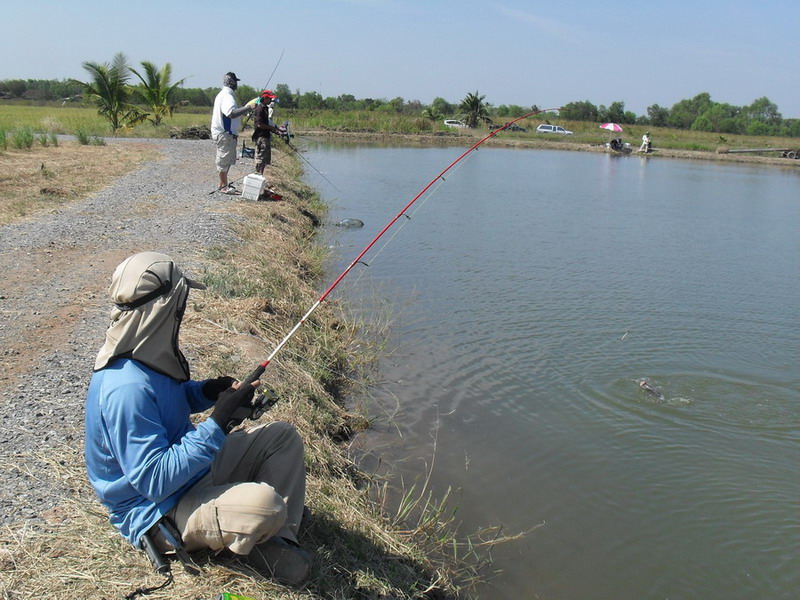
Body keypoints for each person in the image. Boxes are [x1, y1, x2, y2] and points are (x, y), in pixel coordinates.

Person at [84, 252, 310, 585]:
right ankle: (262, 532)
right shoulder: (125, 388)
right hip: (160, 509)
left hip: (190, 476)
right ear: (167, 307)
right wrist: (217, 423)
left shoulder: (142, 355)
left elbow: (166, 401)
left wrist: (206, 392)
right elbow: (155, 482)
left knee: (281, 436)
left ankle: (277, 542)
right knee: (267, 505)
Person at [211, 72, 256, 194]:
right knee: (223, 159)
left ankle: (222, 184)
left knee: (227, 159)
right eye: (236, 81)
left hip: (225, 133)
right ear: (233, 82)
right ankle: (224, 187)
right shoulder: (227, 96)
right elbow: (230, 113)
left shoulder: (223, 94)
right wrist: (248, 107)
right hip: (225, 133)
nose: (237, 84)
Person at [252, 89, 280, 179]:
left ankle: (260, 177)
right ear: (264, 98)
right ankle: (257, 177)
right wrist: (271, 128)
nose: (271, 100)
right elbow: (259, 124)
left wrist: (274, 129)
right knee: (260, 159)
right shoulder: (260, 109)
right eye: (269, 98)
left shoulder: (265, 108)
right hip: (261, 137)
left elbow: (266, 123)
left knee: (264, 160)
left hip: (266, 136)